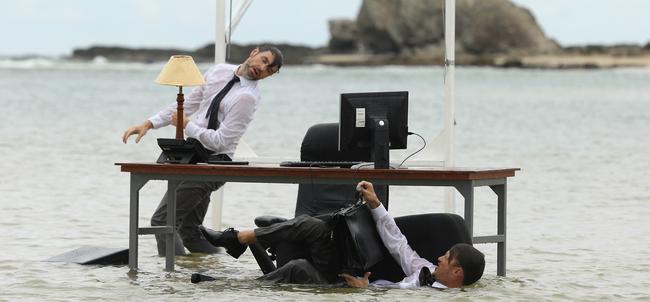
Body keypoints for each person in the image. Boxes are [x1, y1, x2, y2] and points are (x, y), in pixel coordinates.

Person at [122, 46, 283, 256]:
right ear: (254, 52)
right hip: (193, 155)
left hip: (217, 162)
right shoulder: (219, 71)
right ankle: (214, 270)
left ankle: (172, 280)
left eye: (269, 70)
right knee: (190, 232)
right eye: (263, 60)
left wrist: (187, 126)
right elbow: (188, 104)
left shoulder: (248, 98)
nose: (261, 68)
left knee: (162, 220)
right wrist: (149, 124)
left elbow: (221, 141)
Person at [200, 181, 485, 289]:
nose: (439, 257)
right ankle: (241, 237)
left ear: (457, 272)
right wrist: (375, 204)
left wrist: (365, 291)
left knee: (298, 268)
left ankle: (228, 286)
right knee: (315, 226)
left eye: (446, 259)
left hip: (346, 289)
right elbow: (397, 243)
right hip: (346, 270)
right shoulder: (426, 268)